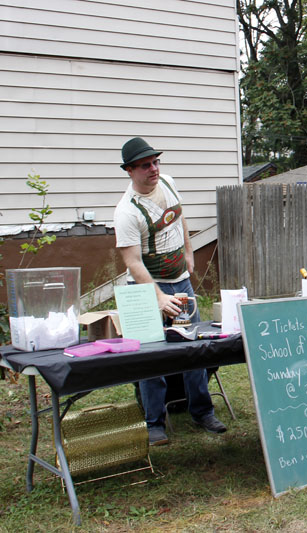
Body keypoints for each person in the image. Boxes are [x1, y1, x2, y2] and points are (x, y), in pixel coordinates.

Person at [113, 137, 226, 446]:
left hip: (180, 283)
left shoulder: (168, 182)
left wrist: (188, 252)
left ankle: (202, 412)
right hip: (145, 290)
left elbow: (179, 217)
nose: (154, 169)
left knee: (193, 349)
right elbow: (132, 262)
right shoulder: (126, 212)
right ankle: (154, 423)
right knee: (151, 357)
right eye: (145, 165)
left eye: (156, 162)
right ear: (129, 170)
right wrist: (159, 298)